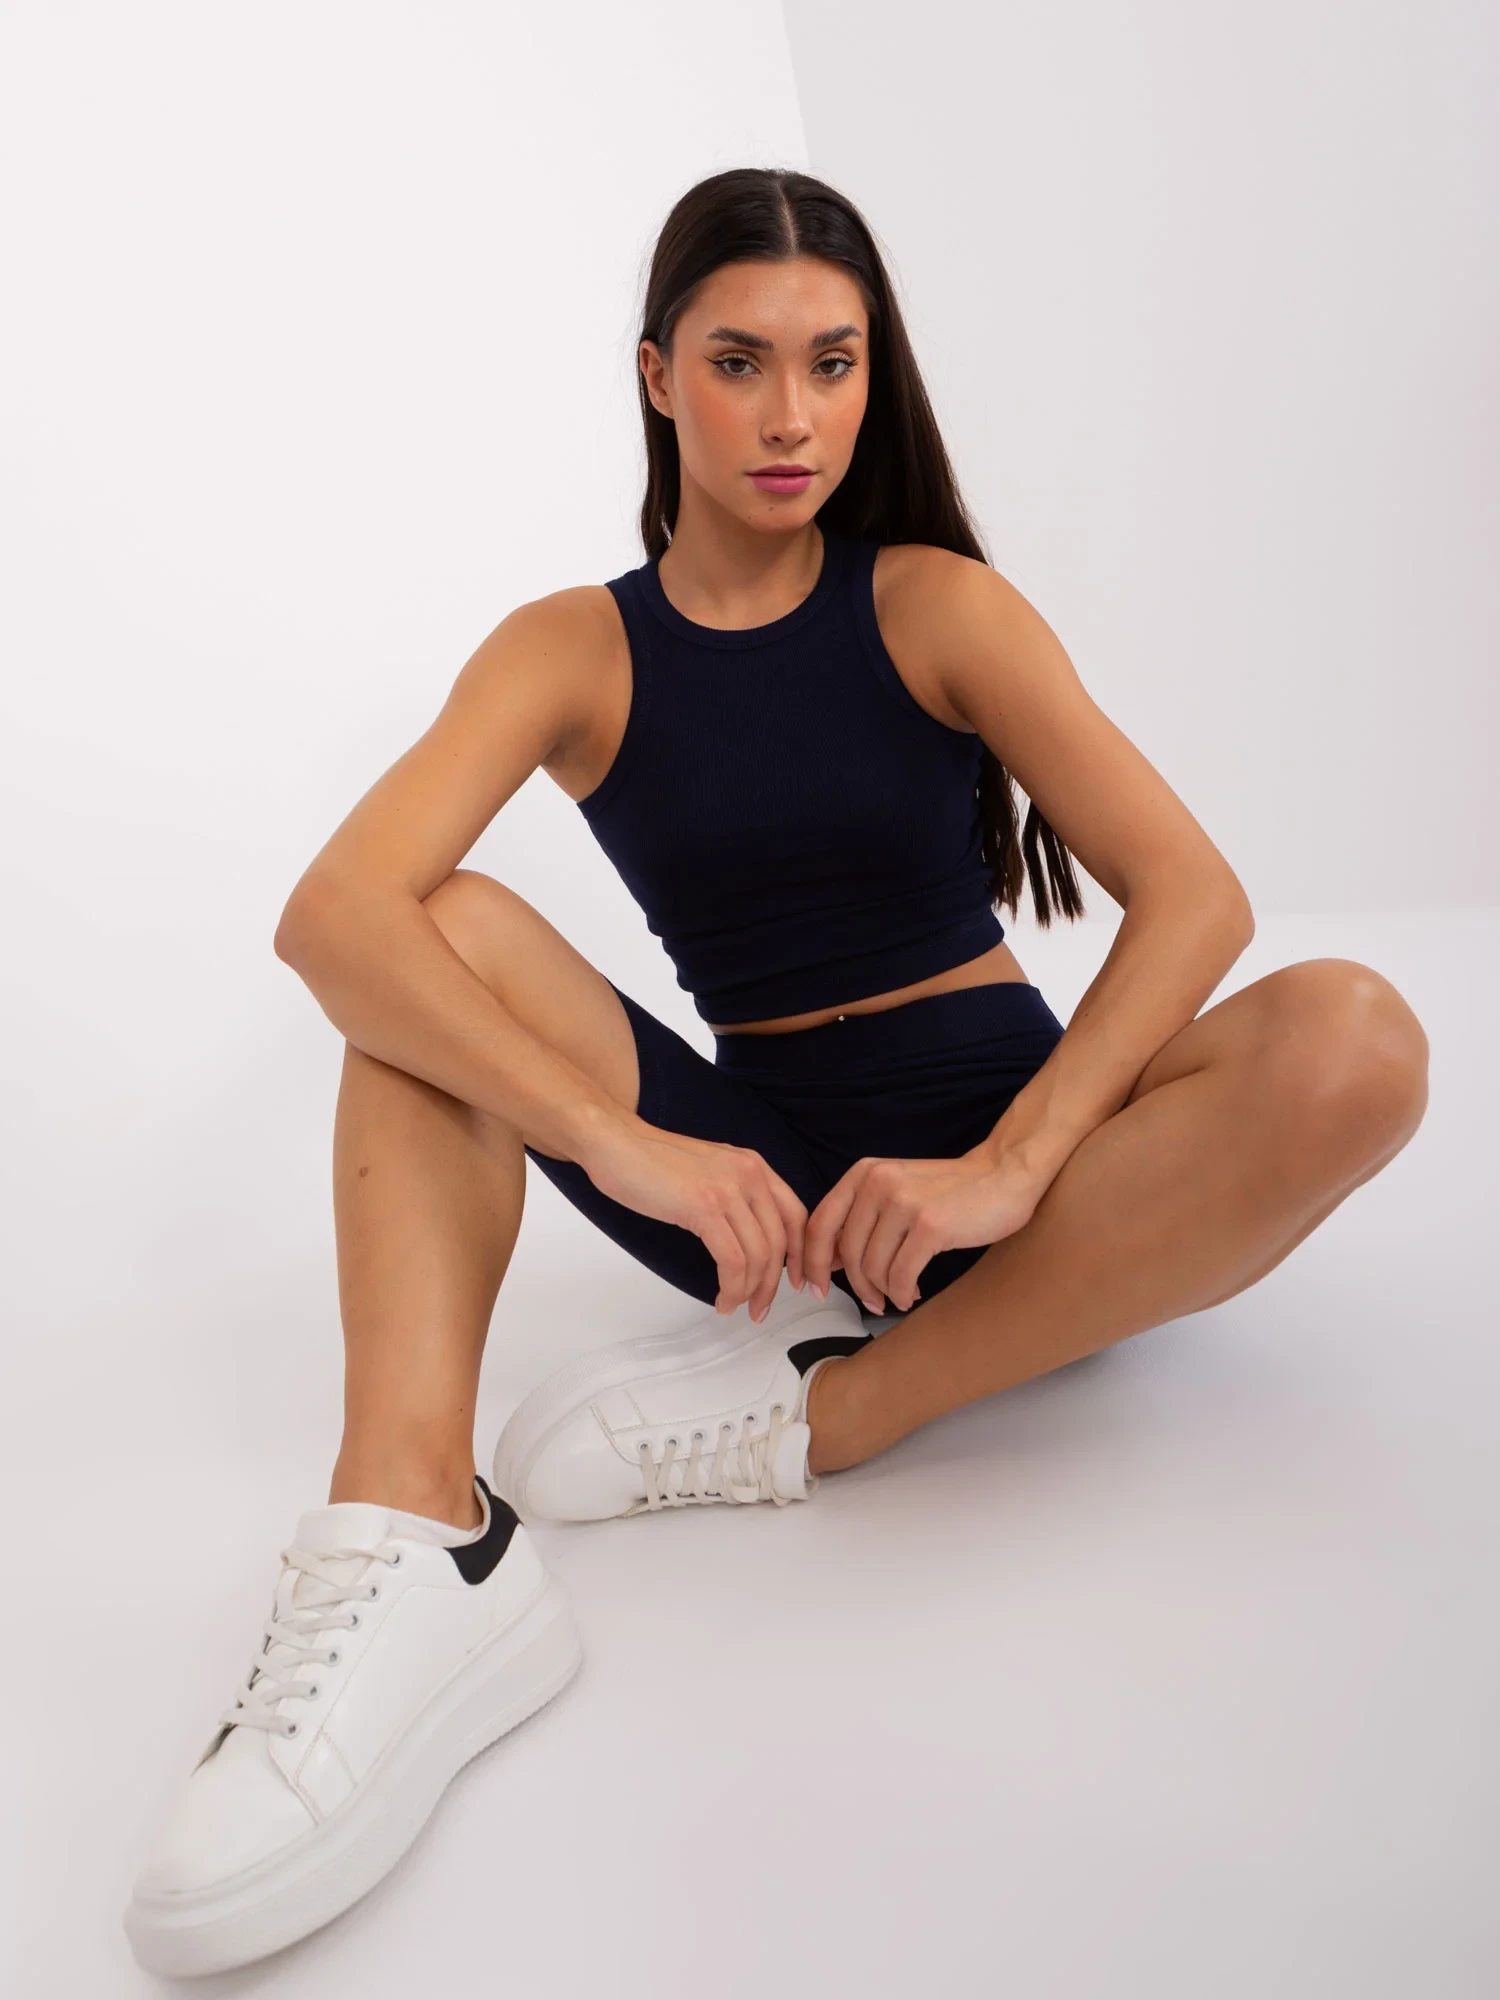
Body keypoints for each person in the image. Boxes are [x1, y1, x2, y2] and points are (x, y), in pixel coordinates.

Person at [123, 166, 1429, 1976]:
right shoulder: (574, 649)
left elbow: (1195, 895)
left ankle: (842, 1412)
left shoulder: (933, 603)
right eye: (741, 362)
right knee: (435, 934)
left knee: (1358, 1036)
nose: (793, 415)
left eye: (834, 362)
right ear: (658, 375)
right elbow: (329, 913)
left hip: (1024, 1194)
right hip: (755, 1200)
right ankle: (421, 1532)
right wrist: (618, 1142)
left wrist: (1011, 1167)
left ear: (874, 377)